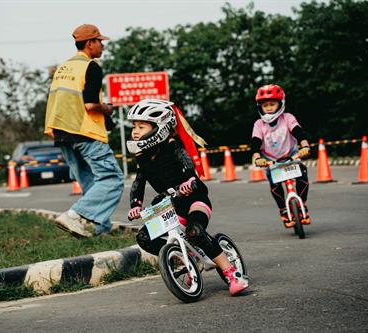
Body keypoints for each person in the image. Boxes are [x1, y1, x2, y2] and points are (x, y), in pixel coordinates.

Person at [126, 99, 248, 296]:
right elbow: (138, 182)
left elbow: (187, 163)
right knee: (144, 238)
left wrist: (189, 180)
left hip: (194, 199)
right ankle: (186, 258)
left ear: (161, 127)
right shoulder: (142, 157)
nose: (135, 131)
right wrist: (135, 204)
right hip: (169, 203)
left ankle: (231, 273)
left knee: (195, 232)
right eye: (134, 126)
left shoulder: (173, 146)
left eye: (141, 126)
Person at [44, 24, 124, 237]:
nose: (103, 47)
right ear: (90, 43)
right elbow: (89, 105)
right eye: (100, 42)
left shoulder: (63, 68)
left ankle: (102, 230)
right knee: (112, 179)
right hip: (85, 132)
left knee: (89, 181)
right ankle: (73, 215)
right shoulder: (91, 66)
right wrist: (107, 108)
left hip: (61, 133)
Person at [251, 84, 311, 228]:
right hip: (271, 160)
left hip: (291, 155)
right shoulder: (259, 124)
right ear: (260, 107)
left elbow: (298, 132)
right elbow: (255, 142)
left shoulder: (287, 118)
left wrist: (305, 146)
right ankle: (283, 210)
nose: (269, 108)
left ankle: (303, 204)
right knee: (275, 184)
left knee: (302, 176)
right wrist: (256, 157)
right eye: (266, 105)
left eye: (272, 104)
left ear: (281, 103)